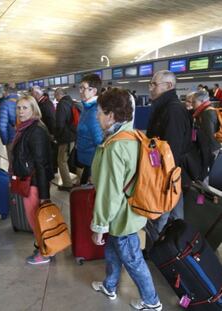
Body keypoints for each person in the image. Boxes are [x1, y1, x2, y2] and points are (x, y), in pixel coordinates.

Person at [91, 88, 162, 311]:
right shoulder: (134, 136)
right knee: (112, 251)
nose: (96, 116)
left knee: (133, 261)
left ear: (111, 115)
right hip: (130, 211)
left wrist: (99, 225)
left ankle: (152, 302)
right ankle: (109, 285)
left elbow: (109, 192)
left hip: (123, 216)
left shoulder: (115, 147)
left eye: (100, 112)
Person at [145, 70, 191, 249]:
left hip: (168, 175)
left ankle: (161, 252)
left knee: (161, 216)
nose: (150, 88)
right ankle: (171, 251)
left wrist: (155, 168)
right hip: (168, 175)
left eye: (153, 84)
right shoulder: (164, 107)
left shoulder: (173, 111)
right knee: (173, 215)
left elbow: (170, 150)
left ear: (169, 86)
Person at [11, 95, 54, 265]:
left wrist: (43, 194)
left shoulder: (35, 130)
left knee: (36, 220)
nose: (21, 111)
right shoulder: (25, 128)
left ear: (33, 109)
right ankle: (44, 246)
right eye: (19, 108)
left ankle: (45, 253)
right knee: (36, 219)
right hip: (29, 181)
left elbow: (41, 163)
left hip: (34, 183)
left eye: (25, 108)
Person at [76, 74, 103, 185]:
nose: (81, 91)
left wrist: (94, 173)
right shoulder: (86, 108)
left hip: (93, 163)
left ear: (94, 91)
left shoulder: (94, 111)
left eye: (84, 88)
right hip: (87, 161)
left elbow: (99, 141)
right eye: (80, 88)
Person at [54, 87, 76, 191]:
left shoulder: (61, 104)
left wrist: (57, 137)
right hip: (74, 135)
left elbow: (59, 124)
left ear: (59, 95)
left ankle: (67, 184)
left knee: (61, 161)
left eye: (56, 97)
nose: (56, 99)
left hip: (65, 138)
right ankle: (81, 180)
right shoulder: (72, 102)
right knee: (74, 158)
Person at [191, 90, 221, 159]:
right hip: (207, 147)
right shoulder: (200, 112)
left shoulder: (207, 113)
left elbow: (209, 135)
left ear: (202, 101)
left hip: (211, 149)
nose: (192, 104)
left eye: (194, 102)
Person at [0, 83, 18, 164]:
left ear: (7, 92)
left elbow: (2, 126)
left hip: (12, 137)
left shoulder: (5, 103)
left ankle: (13, 176)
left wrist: (5, 141)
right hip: (24, 136)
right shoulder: (23, 101)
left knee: (13, 162)